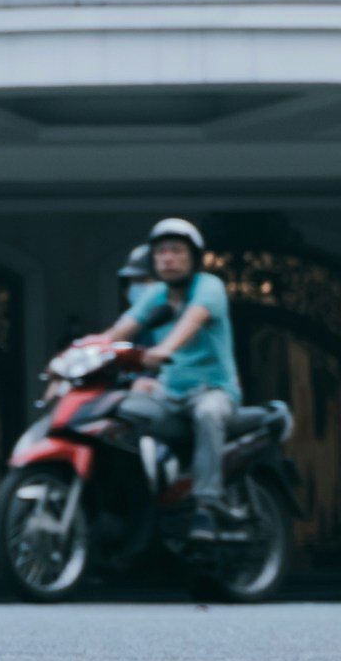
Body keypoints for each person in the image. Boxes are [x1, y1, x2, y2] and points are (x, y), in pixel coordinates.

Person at [98, 216, 242, 532]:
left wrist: (162, 351)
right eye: (161, 252)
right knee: (117, 412)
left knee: (207, 413)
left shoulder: (209, 287)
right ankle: (140, 502)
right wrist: (78, 355)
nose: (168, 258)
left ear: (193, 257)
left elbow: (190, 323)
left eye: (176, 250)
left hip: (212, 389)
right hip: (170, 393)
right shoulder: (157, 295)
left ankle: (207, 503)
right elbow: (120, 330)